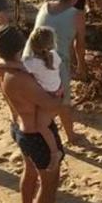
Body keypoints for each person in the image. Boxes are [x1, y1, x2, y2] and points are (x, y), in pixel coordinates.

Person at [0, 26, 64, 203]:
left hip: (19, 126)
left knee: (30, 171)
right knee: (49, 185)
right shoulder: (21, 78)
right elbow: (51, 105)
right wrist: (60, 96)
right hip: (36, 135)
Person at [26, 0, 88, 144]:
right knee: (62, 100)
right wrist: (81, 66)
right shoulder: (77, 15)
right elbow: (79, 44)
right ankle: (71, 135)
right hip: (54, 61)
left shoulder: (44, 7)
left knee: (38, 95)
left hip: (31, 57)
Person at [22, 27, 65, 173]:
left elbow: (19, 68)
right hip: (58, 91)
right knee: (46, 122)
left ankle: (54, 152)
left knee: (41, 126)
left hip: (48, 97)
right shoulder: (55, 55)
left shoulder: (31, 63)